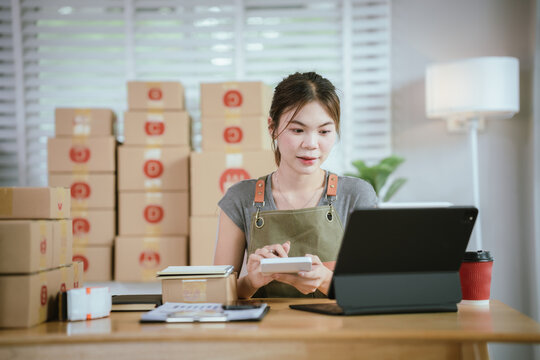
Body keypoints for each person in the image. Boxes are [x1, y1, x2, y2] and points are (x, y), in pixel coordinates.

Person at [214, 72, 377, 298]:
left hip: (337, 332)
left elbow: (372, 291)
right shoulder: (240, 198)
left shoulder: (356, 195)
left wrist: (325, 280)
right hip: (267, 331)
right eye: (297, 130)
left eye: (324, 131)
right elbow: (218, 296)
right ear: (272, 128)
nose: (311, 144)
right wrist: (252, 281)